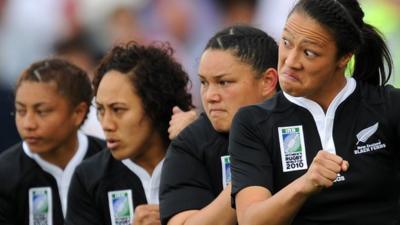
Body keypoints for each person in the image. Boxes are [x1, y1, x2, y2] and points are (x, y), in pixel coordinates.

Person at [229, 0, 398, 225]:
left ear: (344, 57)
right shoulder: (253, 121)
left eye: (309, 53)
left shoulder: (389, 106)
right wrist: (305, 184)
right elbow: (252, 220)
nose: (290, 61)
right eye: (286, 42)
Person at [159, 24, 279, 225]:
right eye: (204, 83)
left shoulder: (301, 124)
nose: (209, 96)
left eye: (223, 82)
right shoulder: (190, 143)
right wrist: (249, 173)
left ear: (267, 81)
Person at [65, 42, 193, 225]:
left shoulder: (198, 160)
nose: (106, 124)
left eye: (118, 110)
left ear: (154, 107)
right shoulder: (88, 178)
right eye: (100, 110)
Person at [0, 59, 105, 225]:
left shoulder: (112, 161)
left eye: (41, 112)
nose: (28, 124)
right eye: (21, 111)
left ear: (78, 112)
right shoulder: (4, 175)